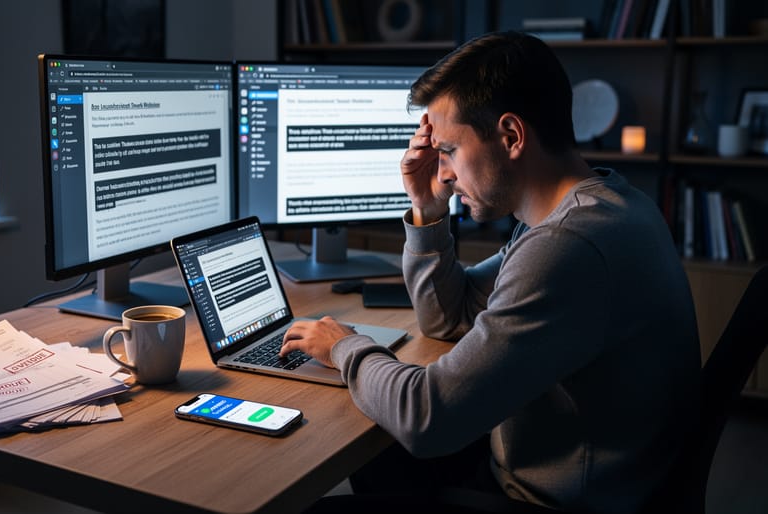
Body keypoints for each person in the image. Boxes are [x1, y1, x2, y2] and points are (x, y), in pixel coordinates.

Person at [279, 31, 701, 513]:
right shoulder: (597, 206)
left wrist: (343, 345)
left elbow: (426, 417)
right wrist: (427, 209)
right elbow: (450, 315)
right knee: (379, 449)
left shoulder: (568, 246)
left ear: (511, 136)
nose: (442, 174)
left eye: (450, 152)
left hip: (551, 499)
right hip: (582, 471)